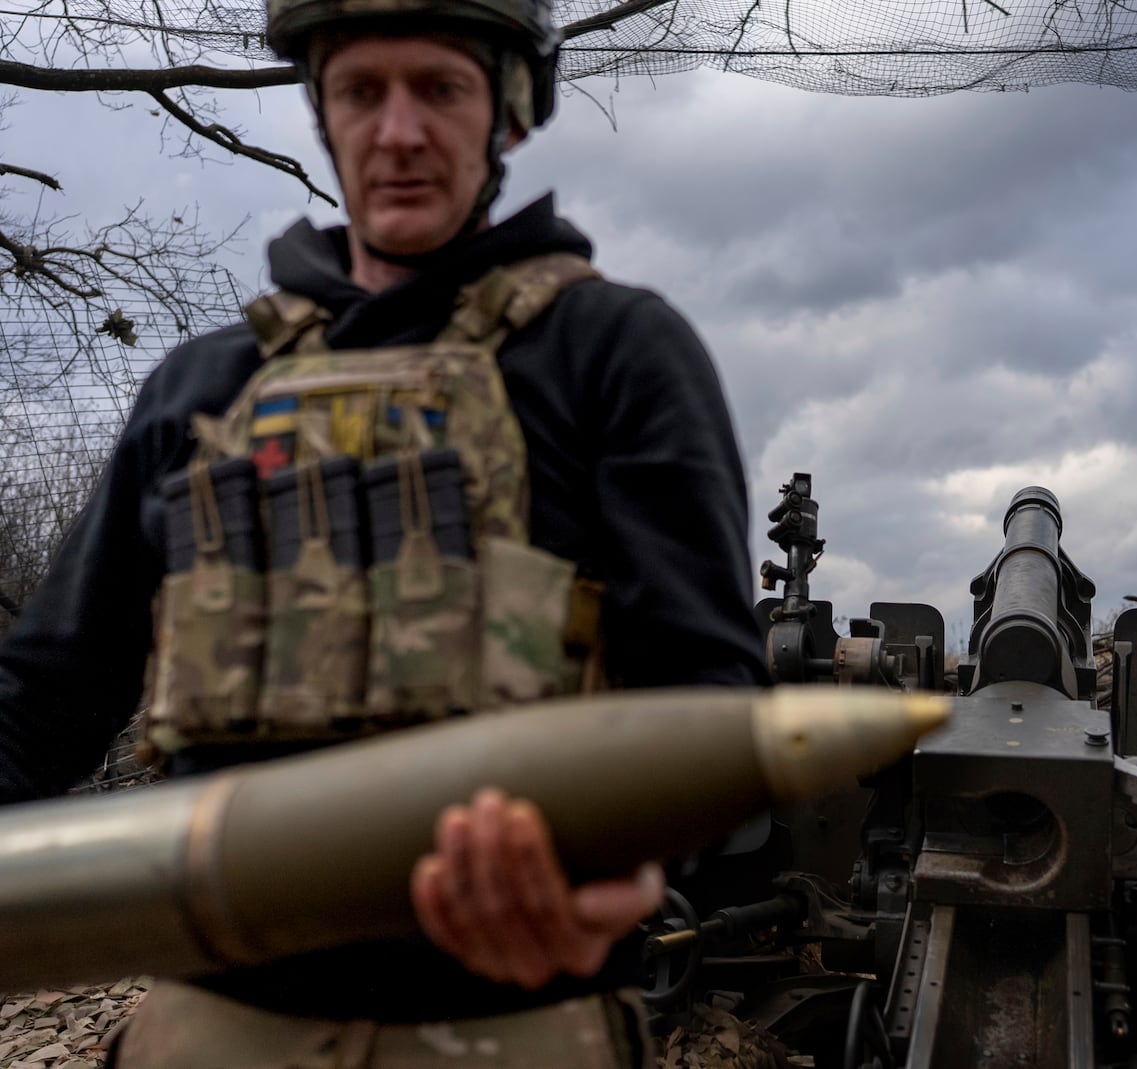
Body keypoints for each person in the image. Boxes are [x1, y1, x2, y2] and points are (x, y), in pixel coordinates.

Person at [0, 0, 769, 1063]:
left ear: (507, 113)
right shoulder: (203, 387)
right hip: (219, 1024)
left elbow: (713, 708)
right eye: (362, 90)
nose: (398, 131)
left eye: (439, 88)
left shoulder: (613, 353)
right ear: (321, 109)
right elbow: (44, 697)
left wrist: (634, 873)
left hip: (511, 1019)